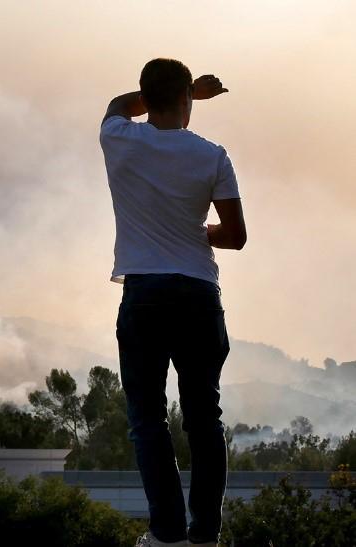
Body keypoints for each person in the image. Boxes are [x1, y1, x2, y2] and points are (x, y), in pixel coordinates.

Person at [99, 58, 247, 547]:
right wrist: (202, 231)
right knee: (205, 418)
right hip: (199, 296)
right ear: (186, 100)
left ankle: (167, 534)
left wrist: (184, 91)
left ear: (147, 97)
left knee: (148, 420)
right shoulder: (213, 155)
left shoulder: (120, 138)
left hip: (145, 297)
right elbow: (235, 236)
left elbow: (118, 105)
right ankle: (205, 533)